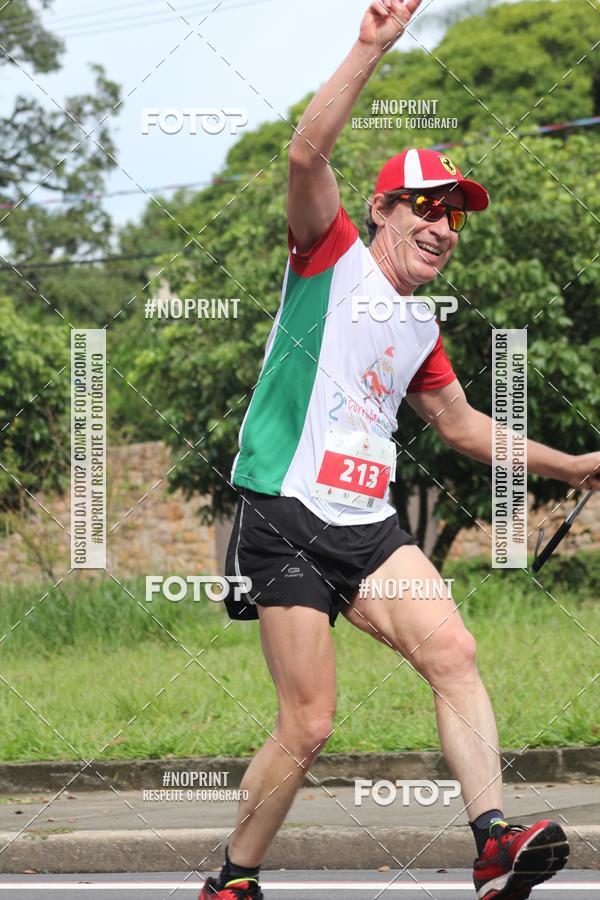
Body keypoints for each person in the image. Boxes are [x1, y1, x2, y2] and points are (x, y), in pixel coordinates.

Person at [200, 2, 599, 897]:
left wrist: (576, 466)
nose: (444, 227)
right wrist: (369, 47)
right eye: (426, 207)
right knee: (308, 726)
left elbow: (460, 427)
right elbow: (307, 155)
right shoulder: (326, 255)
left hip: (368, 526)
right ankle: (232, 880)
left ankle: (493, 842)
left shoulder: (420, 325)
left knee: (453, 652)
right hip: (287, 511)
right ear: (381, 209)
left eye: (455, 217)